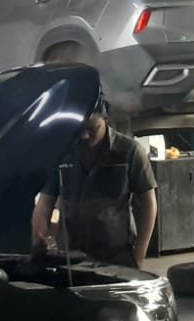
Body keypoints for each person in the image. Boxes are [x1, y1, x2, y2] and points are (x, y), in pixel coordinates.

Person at [31, 99, 158, 268]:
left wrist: (139, 253)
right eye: (79, 129)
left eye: (92, 129)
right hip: (71, 255)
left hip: (117, 256)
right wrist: (38, 234)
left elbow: (148, 204)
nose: (84, 136)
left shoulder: (130, 152)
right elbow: (45, 202)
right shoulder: (63, 152)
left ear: (106, 119)